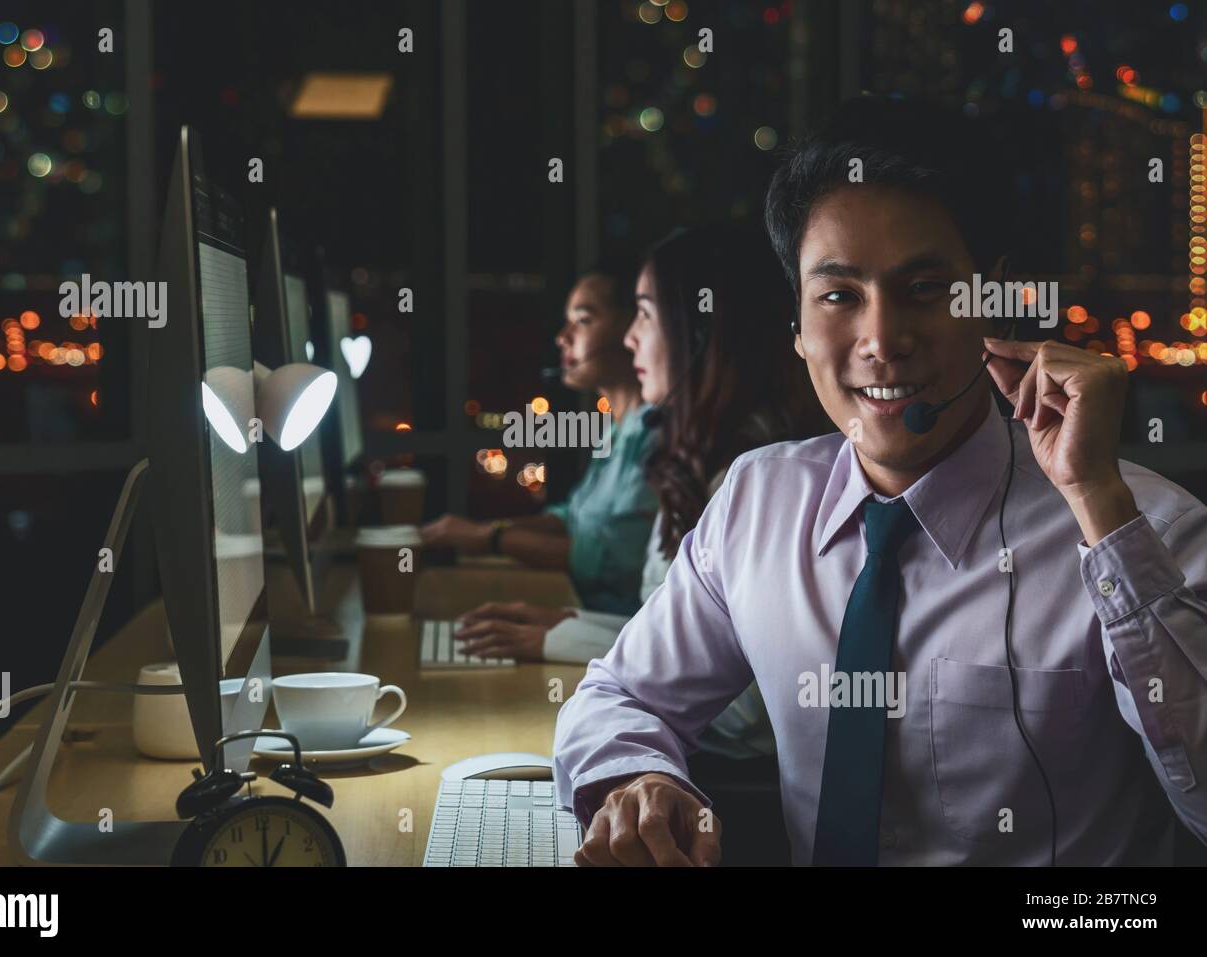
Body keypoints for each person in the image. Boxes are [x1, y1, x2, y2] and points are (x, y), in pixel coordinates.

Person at [552, 96, 1207, 867]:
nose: (881, 340)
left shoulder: (1146, 531)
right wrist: (642, 779)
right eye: (839, 296)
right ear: (797, 325)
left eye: (923, 288)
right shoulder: (759, 502)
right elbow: (620, 694)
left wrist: (1100, 507)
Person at [457, 225, 823, 864]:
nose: (630, 338)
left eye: (645, 315)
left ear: (700, 333)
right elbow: (688, 643)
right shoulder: (697, 457)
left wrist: (567, 636)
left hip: (721, 802)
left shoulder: (759, 480)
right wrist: (569, 627)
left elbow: (744, 709)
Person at [419, 262, 658, 615]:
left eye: (583, 320)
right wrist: (482, 530)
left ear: (631, 327)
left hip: (612, 629)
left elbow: (615, 561)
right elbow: (571, 518)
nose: (562, 337)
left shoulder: (656, 435)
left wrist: (490, 539)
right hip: (579, 612)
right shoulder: (616, 428)